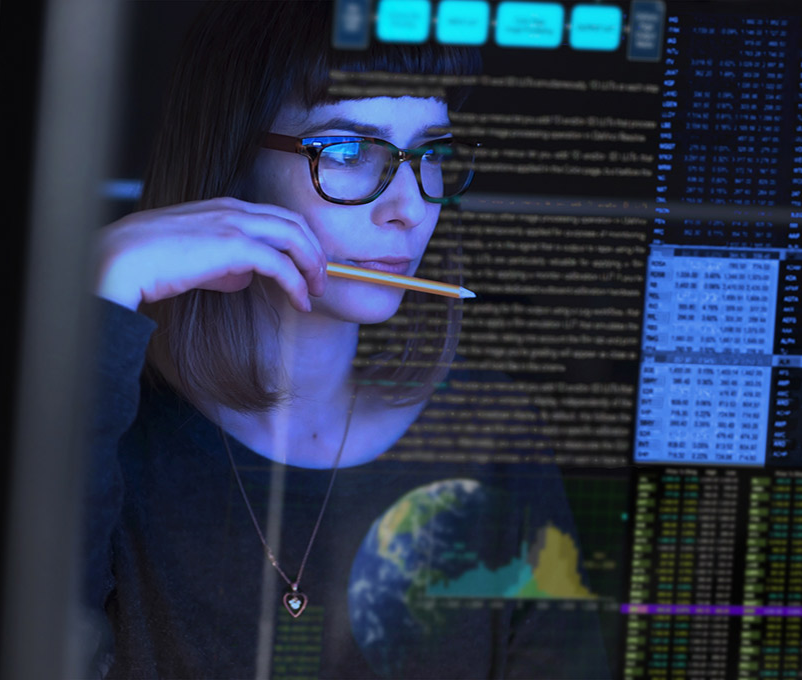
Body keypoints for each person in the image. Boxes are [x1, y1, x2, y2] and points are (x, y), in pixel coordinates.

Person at [84, 2, 611, 678]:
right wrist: (105, 289)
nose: (411, 208)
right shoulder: (112, 430)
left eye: (431, 154)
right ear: (230, 158)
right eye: (348, 150)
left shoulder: (492, 435)